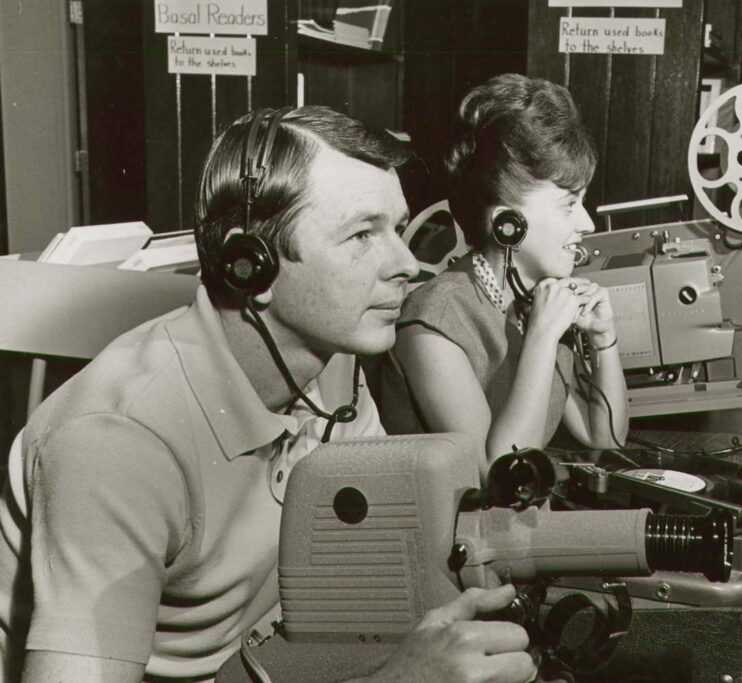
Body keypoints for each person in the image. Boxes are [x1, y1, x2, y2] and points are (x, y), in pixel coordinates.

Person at [0, 106, 535, 683]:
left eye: (396, 228)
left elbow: (380, 555)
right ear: (249, 265)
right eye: (360, 234)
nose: (407, 265)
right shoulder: (118, 442)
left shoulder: (334, 357)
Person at [381, 74, 629, 473]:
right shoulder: (432, 319)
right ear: (508, 223)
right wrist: (543, 336)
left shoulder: (534, 300)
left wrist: (603, 338)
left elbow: (605, 435)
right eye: (569, 205)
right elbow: (495, 471)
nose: (587, 223)